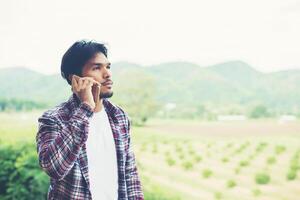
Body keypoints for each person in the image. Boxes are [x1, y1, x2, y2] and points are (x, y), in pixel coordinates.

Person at [36, 40, 144, 200]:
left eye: (108, 66)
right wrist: (86, 107)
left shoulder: (119, 116)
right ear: (76, 79)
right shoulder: (54, 119)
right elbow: (54, 168)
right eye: (96, 68)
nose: (107, 74)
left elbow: (130, 173)